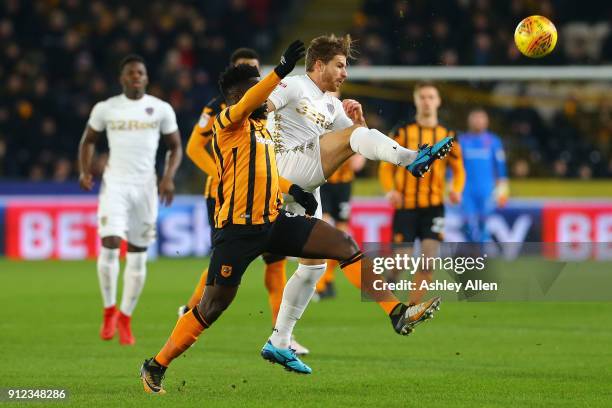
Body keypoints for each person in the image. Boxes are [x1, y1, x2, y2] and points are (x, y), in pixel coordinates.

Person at [140, 42, 440, 393]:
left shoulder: (265, 130)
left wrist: (293, 189)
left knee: (343, 244)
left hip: (273, 221)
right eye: (256, 89)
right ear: (242, 96)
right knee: (213, 306)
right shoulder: (228, 124)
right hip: (237, 231)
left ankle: (396, 313)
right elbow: (253, 104)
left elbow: (266, 169)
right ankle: (155, 365)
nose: (267, 94)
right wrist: (281, 69)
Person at [263, 34, 452, 356]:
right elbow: (259, 108)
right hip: (283, 167)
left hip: (306, 187)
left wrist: (359, 123)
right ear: (318, 65)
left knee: (313, 267)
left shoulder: (333, 105)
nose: (345, 73)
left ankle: (280, 341)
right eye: (339, 66)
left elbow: (359, 148)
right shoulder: (294, 85)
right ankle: (412, 159)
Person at [179, 47, 308, 355]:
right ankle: (190, 312)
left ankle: (282, 334)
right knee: (220, 265)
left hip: (265, 198)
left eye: (256, 72)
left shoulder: (264, 112)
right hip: (226, 196)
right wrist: (222, 172)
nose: (255, 78)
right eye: (247, 72)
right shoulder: (219, 108)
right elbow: (194, 148)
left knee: (275, 267)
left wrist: (289, 187)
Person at [78, 55, 182, 345]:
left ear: (146, 78)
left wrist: (168, 176)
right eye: (130, 73)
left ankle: (125, 316)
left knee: (137, 253)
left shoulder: (160, 109)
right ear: (122, 78)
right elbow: (88, 140)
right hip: (115, 185)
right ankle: (109, 309)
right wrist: (85, 171)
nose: (136, 76)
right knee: (110, 243)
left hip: (145, 187)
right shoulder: (106, 108)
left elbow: (175, 147)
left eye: (140, 72)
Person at [379, 81, 465, 305]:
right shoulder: (402, 131)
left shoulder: (447, 135)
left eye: (431, 97)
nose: (427, 101)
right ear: (416, 100)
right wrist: (389, 190)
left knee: (428, 262)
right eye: (423, 97)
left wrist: (456, 190)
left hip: (434, 207)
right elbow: (386, 166)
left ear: (438, 101)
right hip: (405, 206)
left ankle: (412, 308)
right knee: (400, 262)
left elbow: (459, 169)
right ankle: (389, 283)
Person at [317, 154, 365, 299]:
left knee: (341, 233)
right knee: (323, 228)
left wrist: (357, 155)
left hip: (344, 184)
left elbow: (357, 164)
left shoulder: (355, 131)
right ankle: (319, 283)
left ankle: (327, 278)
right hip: (322, 182)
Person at [459, 108, 509, 243]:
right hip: (466, 191)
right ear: (469, 121)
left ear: (487, 121)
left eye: (481, 118)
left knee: (484, 225)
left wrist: (503, 191)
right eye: (475, 118)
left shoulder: (494, 142)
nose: (478, 121)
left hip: (487, 191)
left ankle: (481, 257)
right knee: (467, 225)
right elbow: (454, 168)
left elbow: (500, 167)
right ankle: (469, 256)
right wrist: (452, 188)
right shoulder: (461, 141)